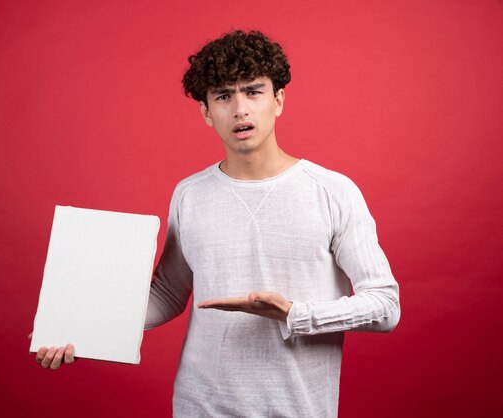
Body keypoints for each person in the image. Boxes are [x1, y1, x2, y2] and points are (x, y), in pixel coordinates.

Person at [34, 30, 400, 418]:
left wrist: (293, 313)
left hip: (298, 408)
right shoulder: (189, 194)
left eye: (253, 92)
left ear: (278, 100)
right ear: (207, 112)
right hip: (201, 406)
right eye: (223, 96)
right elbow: (167, 295)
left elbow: (385, 305)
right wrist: (76, 325)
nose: (240, 109)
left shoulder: (332, 191)